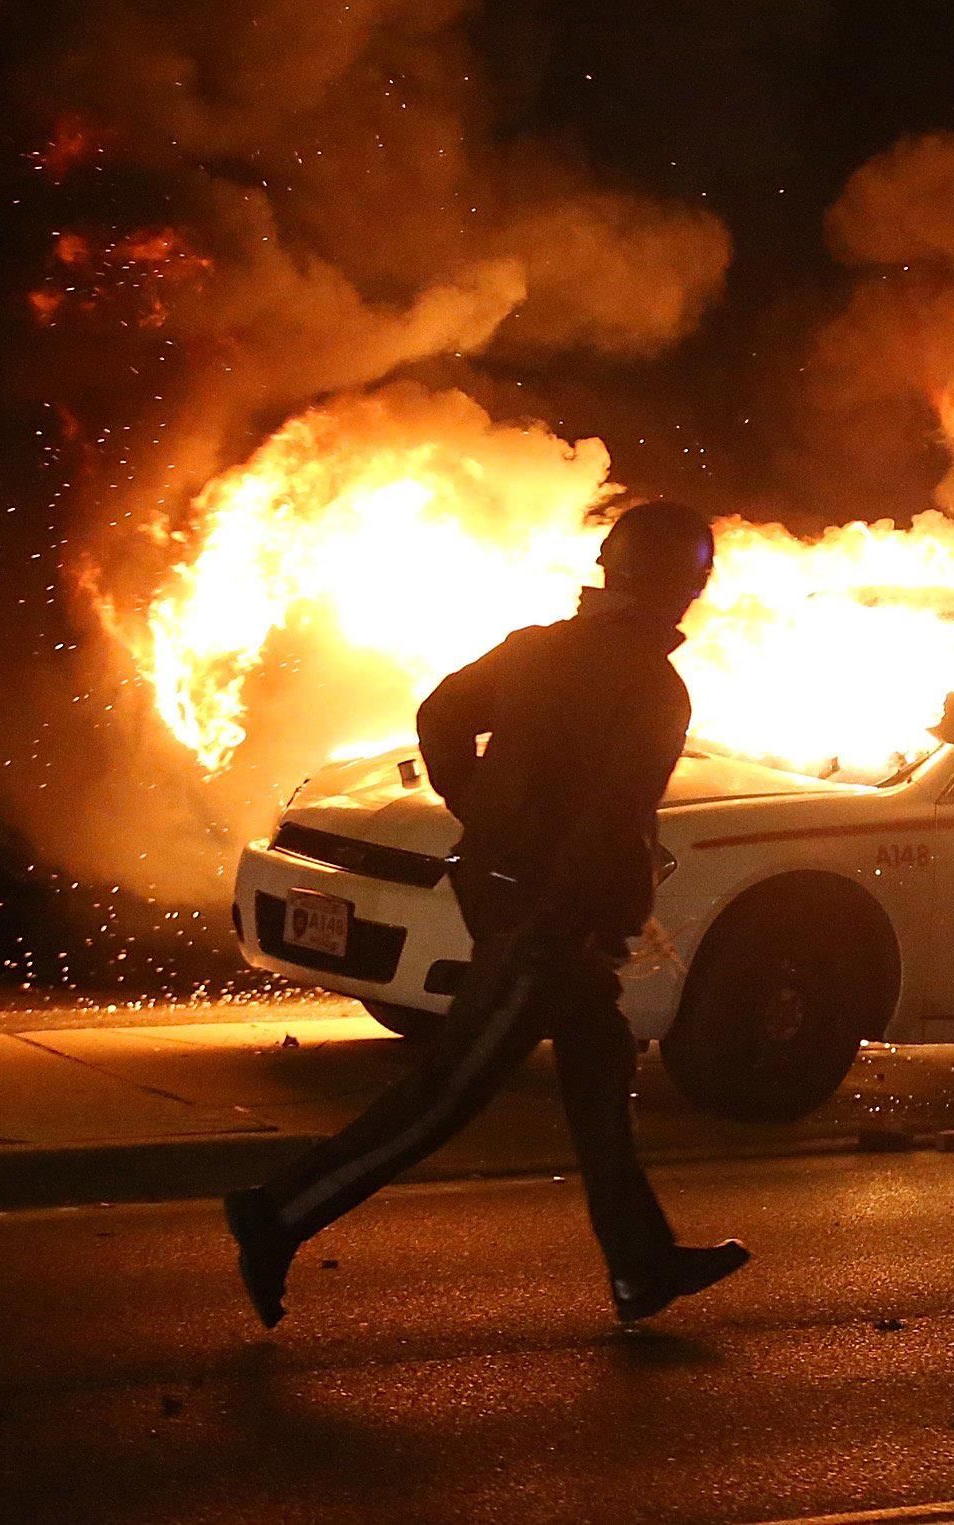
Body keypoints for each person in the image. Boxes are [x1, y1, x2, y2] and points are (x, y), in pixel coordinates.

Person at [223, 499, 749, 1328]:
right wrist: (577, 909)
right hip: (546, 916)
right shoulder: (652, 684)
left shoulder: (537, 647)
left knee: (600, 1064)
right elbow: (607, 819)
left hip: (511, 891)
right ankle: (277, 1213)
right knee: (447, 1093)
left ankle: (640, 1264)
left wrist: (481, 814)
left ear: (610, 564)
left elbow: (441, 717)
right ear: (686, 584)